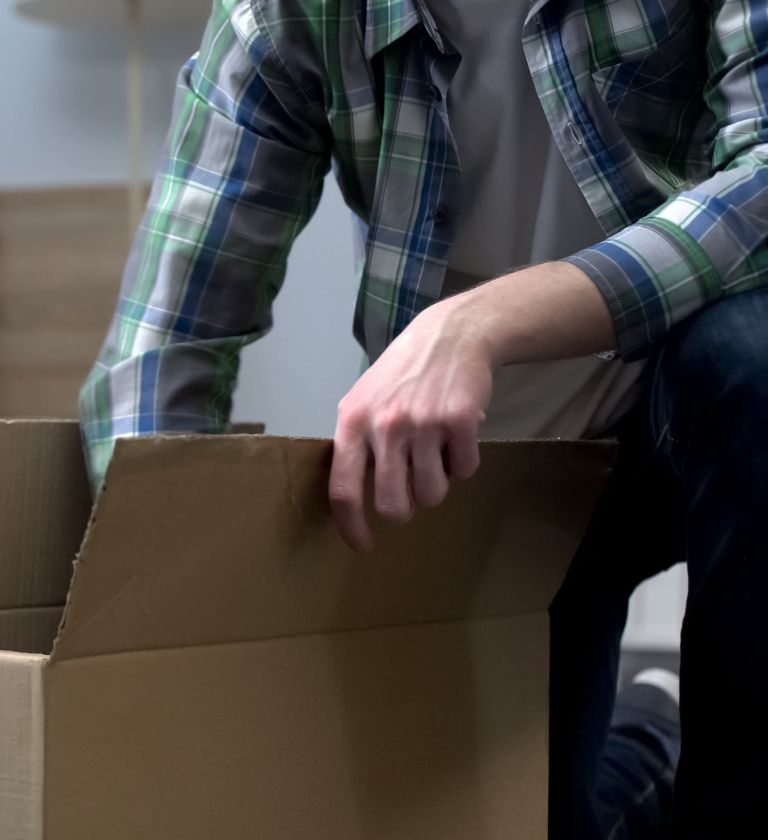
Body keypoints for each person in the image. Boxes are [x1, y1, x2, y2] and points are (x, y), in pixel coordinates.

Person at [81, 1, 766, 837]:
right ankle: (647, 744)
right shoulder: (285, 14)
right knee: (526, 819)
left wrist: (480, 323)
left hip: (690, 401)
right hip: (483, 474)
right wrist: (147, 642)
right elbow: (169, 340)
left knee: (754, 351)